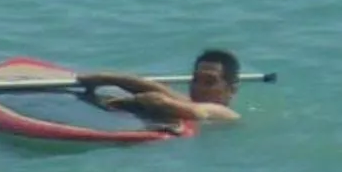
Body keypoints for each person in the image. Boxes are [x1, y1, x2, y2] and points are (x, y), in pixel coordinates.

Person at [72, 49, 243, 130]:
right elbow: (156, 89)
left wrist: (130, 101)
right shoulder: (194, 103)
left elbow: (162, 101)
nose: (198, 87)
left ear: (231, 89)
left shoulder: (223, 113)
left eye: (209, 82)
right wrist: (109, 78)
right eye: (196, 80)